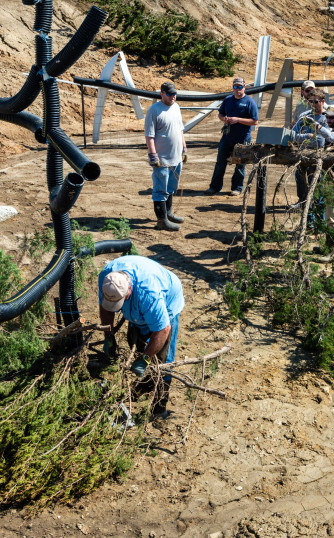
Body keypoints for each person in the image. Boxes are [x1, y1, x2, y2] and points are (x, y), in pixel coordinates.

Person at [99, 255, 184, 418]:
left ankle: (159, 408)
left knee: (162, 361)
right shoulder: (107, 278)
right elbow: (106, 308)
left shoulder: (149, 295)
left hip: (168, 302)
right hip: (140, 306)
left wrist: (145, 358)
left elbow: (163, 329)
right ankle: (142, 386)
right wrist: (108, 335)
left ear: (128, 291)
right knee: (136, 341)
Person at [205, 76, 259, 196]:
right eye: (235, 87)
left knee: (240, 164)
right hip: (227, 137)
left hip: (243, 138)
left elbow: (255, 121)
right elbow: (220, 114)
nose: (238, 89)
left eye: (240, 87)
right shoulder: (228, 100)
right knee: (220, 163)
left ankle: (237, 188)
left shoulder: (249, 102)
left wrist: (238, 120)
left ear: (244, 87)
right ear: (233, 88)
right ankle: (214, 187)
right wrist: (224, 119)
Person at [144, 81, 187, 231]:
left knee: (171, 188)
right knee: (160, 190)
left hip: (176, 158)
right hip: (162, 159)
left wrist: (184, 148)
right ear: (162, 94)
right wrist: (153, 155)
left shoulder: (176, 107)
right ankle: (161, 220)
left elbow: (180, 129)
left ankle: (168, 213)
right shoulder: (154, 111)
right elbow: (149, 136)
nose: (173, 96)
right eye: (169, 94)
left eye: (174, 93)